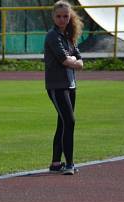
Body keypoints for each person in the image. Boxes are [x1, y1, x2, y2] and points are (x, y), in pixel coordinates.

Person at [44, 0, 83, 176]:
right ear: (53, 17)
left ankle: (55, 163)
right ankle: (69, 164)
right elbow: (66, 60)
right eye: (59, 16)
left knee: (63, 123)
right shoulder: (52, 36)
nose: (62, 19)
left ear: (70, 17)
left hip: (70, 85)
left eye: (65, 16)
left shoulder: (67, 36)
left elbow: (80, 61)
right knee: (70, 121)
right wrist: (73, 61)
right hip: (57, 86)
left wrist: (74, 61)